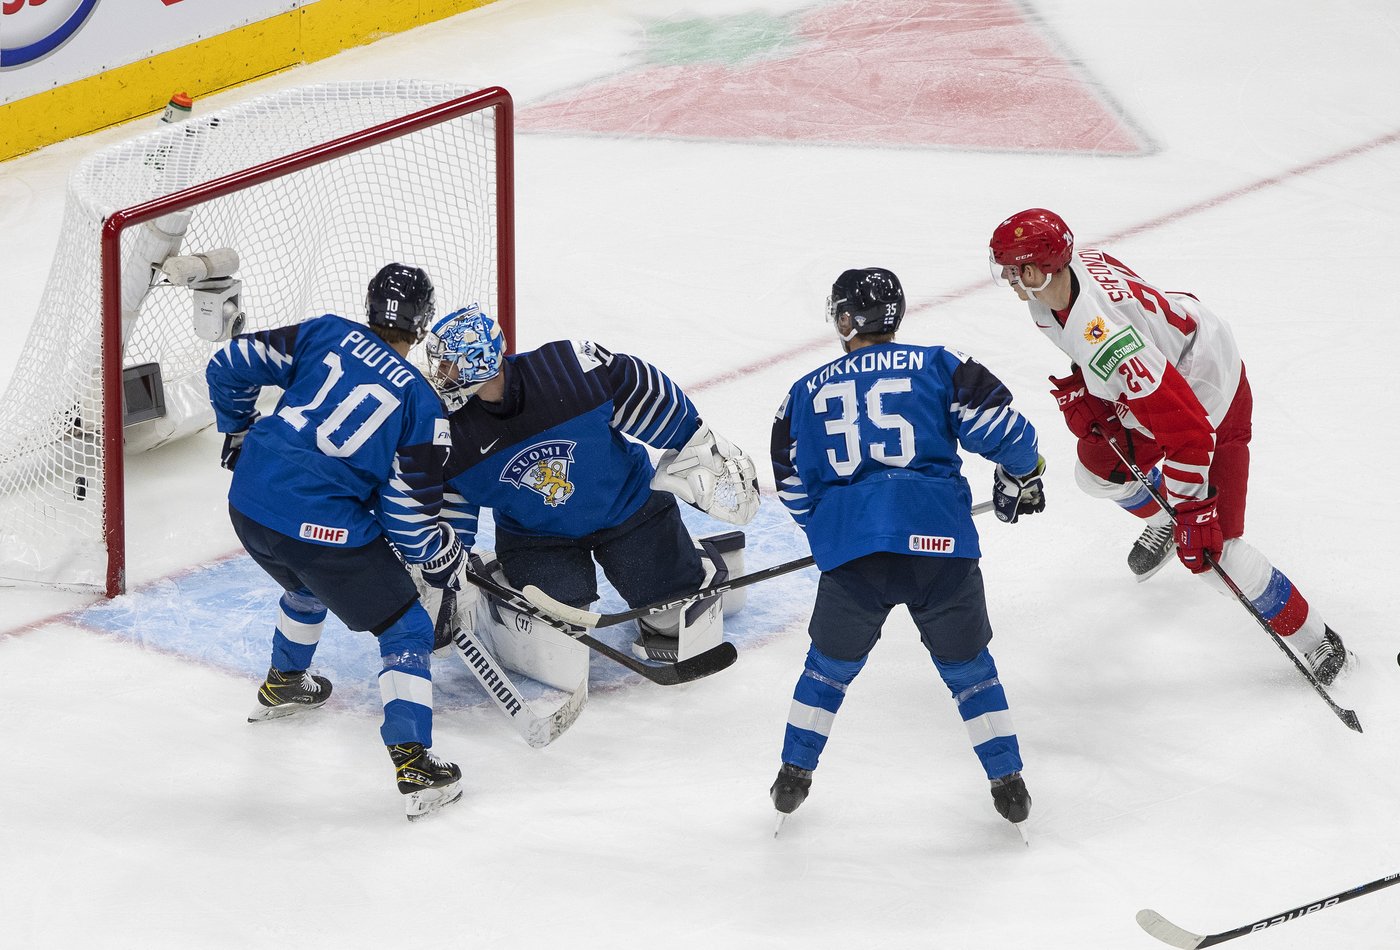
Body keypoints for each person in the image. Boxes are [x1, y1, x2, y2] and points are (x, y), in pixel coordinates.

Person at [988, 208, 1350, 684]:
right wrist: (1090, 382)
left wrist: (1192, 512)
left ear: (1035, 270)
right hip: (1170, 371)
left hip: (1211, 396)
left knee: (1215, 554)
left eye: (1013, 270)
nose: (1010, 281)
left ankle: (1318, 639)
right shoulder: (1066, 279)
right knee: (1097, 472)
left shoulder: (1110, 340)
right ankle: (1160, 518)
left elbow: (1191, 431)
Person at [767, 267, 1045, 833]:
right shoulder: (941, 364)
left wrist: (834, 532)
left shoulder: (803, 391)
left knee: (826, 670)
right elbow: (1006, 431)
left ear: (846, 319)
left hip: (854, 557)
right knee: (971, 671)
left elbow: (792, 484)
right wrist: (1023, 475)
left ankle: (793, 774)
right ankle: (1008, 782)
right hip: (940, 547)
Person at [206, 262, 468, 821]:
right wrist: (440, 556)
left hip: (248, 502)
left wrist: (238, 430)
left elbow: (228, 363)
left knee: (307, 582)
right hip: (317, 527)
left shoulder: (323, 331)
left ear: (370, 307)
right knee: (407, 628)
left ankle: (284, 683)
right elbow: (404, 517)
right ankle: (415, 766)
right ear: (420, 325)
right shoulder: (423, 403)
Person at [420, 305, 760, 664]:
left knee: (671, 620)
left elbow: (635, 385)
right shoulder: (448, 429)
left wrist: (694, 440)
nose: (438, 375)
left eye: (446, 365)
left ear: (478, 362)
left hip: (629, 509)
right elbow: (448, 501)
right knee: (556, 635)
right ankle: (500, 585)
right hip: (537, 539)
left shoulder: (564, 370)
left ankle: (690, 560)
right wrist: (445, 566)